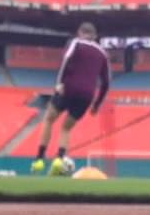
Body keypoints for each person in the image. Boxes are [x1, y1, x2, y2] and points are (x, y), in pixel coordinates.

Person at [32, 22, 111, 176]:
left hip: (69, 88)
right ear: (95, 36)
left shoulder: (76, 43)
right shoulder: (102, 53)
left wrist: (59, 83)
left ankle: (40, 158)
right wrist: (97, 104)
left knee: (49, 119)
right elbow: (106, 83)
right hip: (87, 95)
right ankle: (59, 158)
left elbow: (65, 61)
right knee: (66, 127)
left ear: (80, 33)